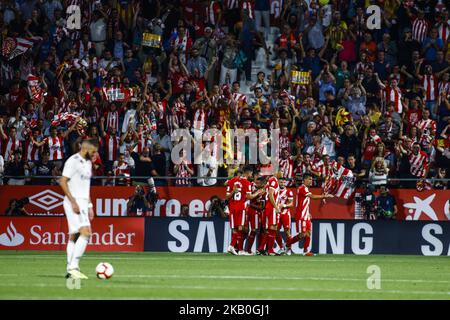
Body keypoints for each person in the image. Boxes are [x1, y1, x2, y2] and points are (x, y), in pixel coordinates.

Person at [59, 139, 98, 280]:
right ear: (86, 149)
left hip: (82, 202)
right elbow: (62, 181)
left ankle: (71, 268)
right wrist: (73, 201)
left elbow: (85, 187)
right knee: (86, 233)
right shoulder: (73, 161)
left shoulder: (88, 163)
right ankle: (73, 267)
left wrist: (90, 206)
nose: (96, 155)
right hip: (73, 202)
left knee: (75, 236)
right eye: (94, 151)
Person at [287, 173, 334, 256]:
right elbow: (312, 197)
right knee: (303, 234)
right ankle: (287, 244)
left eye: (311, 179)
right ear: (304, 180)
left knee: (308, 233)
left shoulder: (306, 189)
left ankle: (305, 251)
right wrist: (325, 196)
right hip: (301, 215)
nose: (311, 181)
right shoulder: (302, 188)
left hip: (306, 215)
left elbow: (305, 202)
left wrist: (308, 213)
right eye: (309, 179)